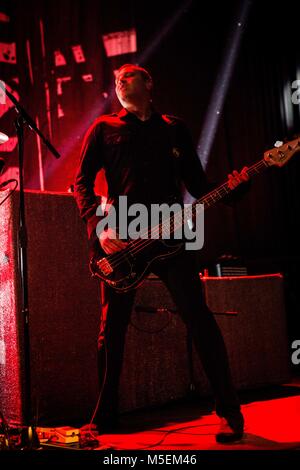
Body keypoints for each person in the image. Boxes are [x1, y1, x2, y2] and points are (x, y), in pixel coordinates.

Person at [74, 63, 249, 443]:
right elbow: (82, 182)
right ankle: (102, 417)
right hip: (124, 240)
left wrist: (235, 186)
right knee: (112, 330)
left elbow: (199, 184)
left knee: (199, 319)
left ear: (149, 83)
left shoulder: (174, 128)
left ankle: (229, 413)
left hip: (172, 237)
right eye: (117, 79)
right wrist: (99, 229)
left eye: (129, 76)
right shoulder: (104, 128)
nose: (119, 81)